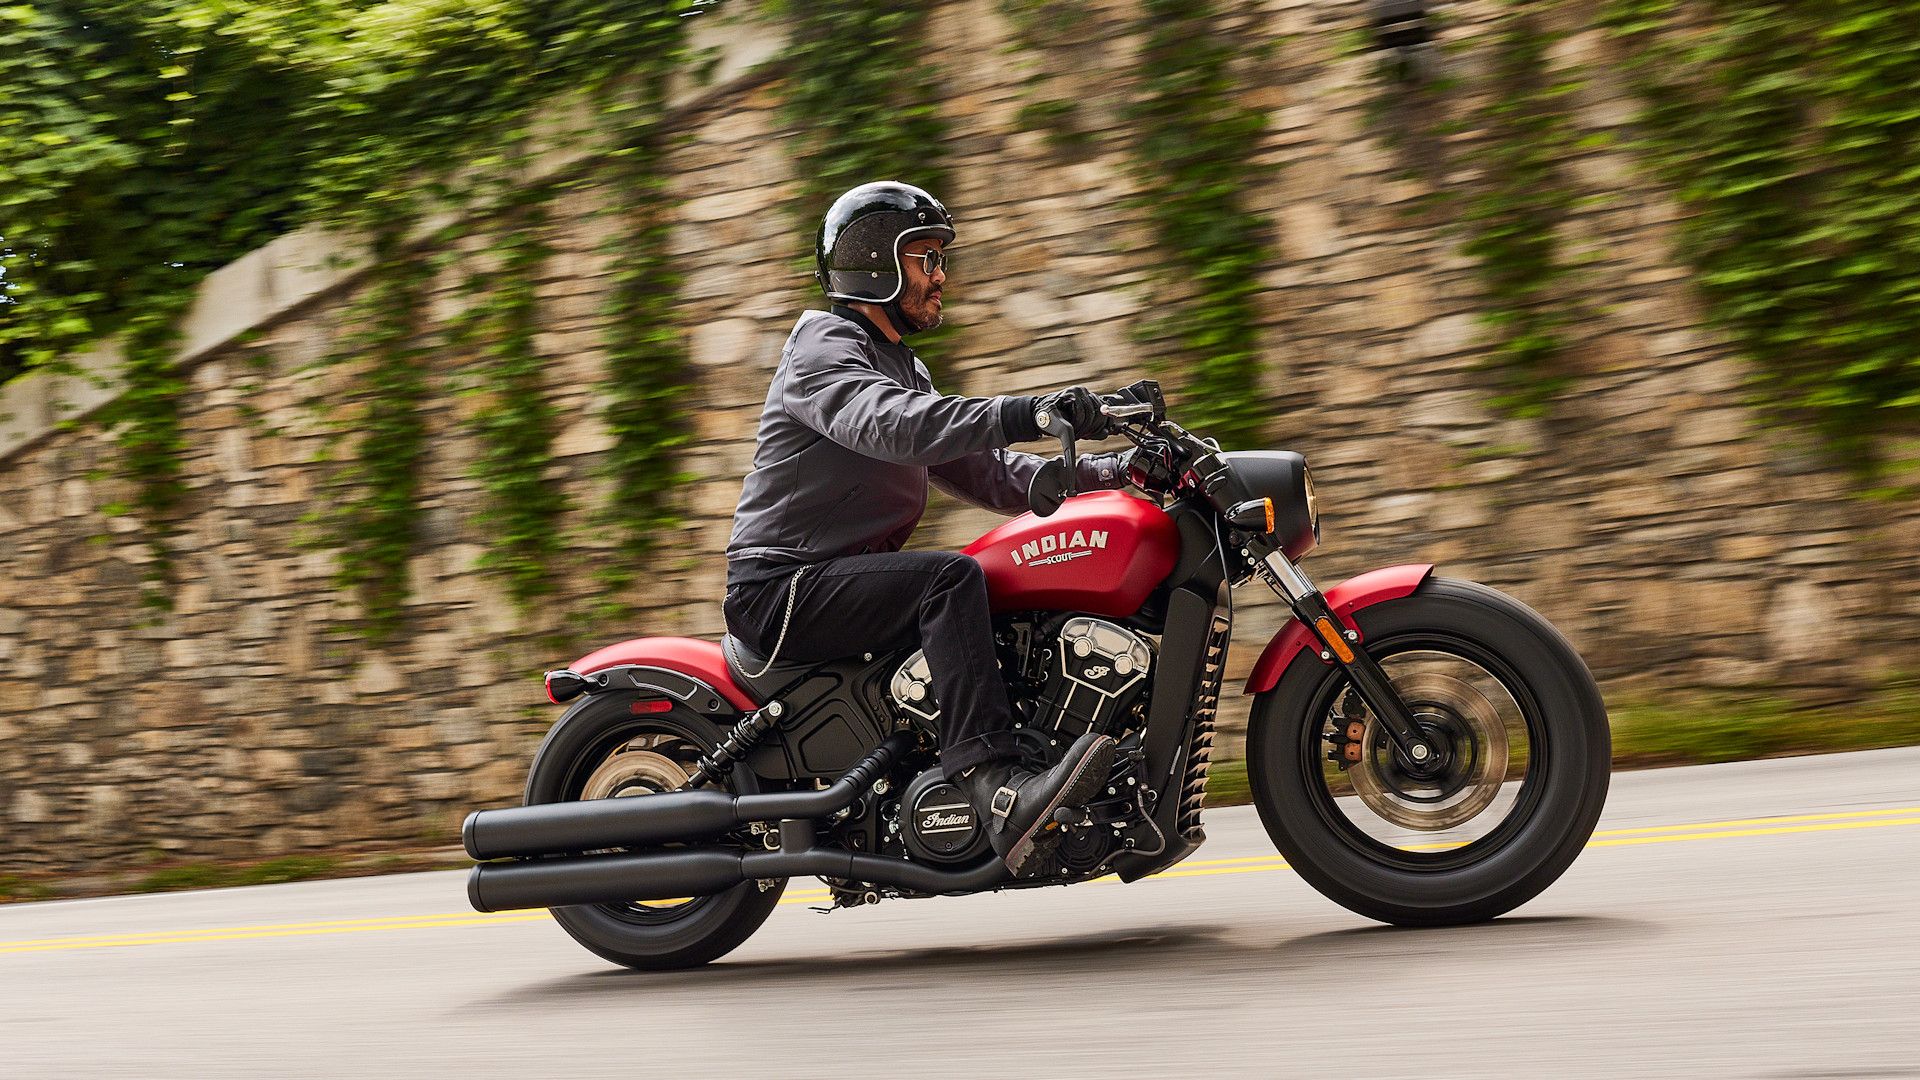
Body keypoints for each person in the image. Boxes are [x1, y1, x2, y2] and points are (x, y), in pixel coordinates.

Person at [724, 180, 1132, 877]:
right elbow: (892, 424)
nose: (941, 275)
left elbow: (997, 477)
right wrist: (1030, 410)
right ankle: (996, 787)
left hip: (833, 582)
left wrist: (1125, 467)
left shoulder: (903, 365)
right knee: (949, 579)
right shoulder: (822, 346)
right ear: (875, 262)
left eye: (941, 258)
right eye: (925, 258)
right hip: (780, 586)